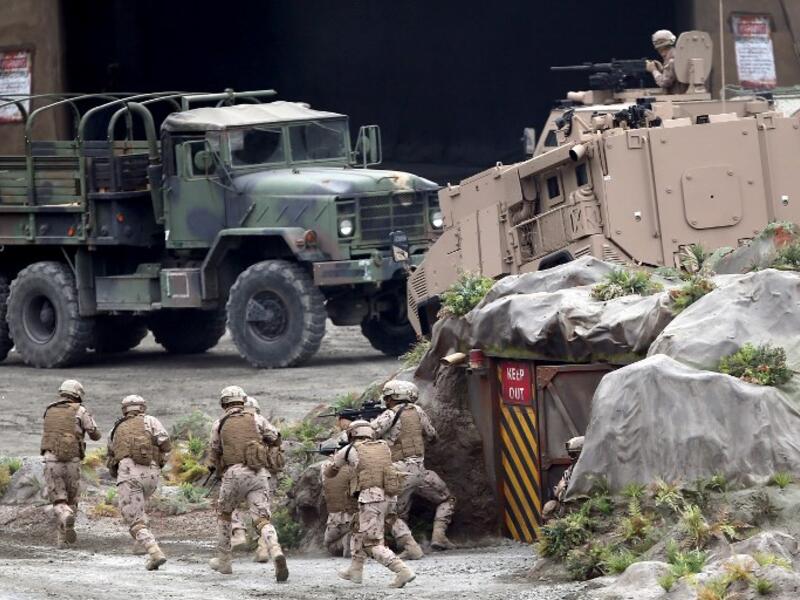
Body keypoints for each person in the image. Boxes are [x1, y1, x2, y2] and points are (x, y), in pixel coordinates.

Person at [208, 386, 288, 581]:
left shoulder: (219, 423)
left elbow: (214, 452)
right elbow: (276, 438)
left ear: (224, 403)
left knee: (224, 514)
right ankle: (275, 550)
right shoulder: (257, 419)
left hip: (234, 473)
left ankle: (225, 560)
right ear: (243, 401)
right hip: (259, 472)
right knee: (262, 519)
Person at [325, 420, 415, 588]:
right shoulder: (383, 447)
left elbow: (330, 473)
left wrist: (334, 459)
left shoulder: (350, 449)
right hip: (389, 497)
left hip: (370, 499)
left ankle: (402, 570)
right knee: (359, 531)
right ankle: (355, 570)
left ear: (352, 434)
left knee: (371, 542)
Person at [371, 380, 456, 552]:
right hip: (420, 472)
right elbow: (432, 435)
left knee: (394, 514)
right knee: (447, 499)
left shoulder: (389, 415)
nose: (386, 401)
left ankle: (409, 547)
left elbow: (370, 434)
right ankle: (439, 536)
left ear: (396, 397)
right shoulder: (418, 412)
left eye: (388, 398)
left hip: (398, 473)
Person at [106, 395, 171, 570]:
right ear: (143, 408)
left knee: (134, 519)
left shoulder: (115, 429)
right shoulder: (151, 421)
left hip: (129, 474)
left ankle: (153, 550)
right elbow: (165, 442)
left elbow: (110, 455)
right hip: (152, 473)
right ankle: (138, 545)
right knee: (140, 508)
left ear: (124, 409)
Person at [40, 379, 101, 547]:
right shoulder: (81, 410)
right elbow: (96, 435)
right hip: (73, 461)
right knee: (72, 500)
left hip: (52, 460)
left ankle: (62, 538)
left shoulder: (49, 410)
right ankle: (64, 535)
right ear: (78, 394)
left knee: (59, 501)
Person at [230, 396, 284, 551]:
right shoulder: (260, 420)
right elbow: (276, 437)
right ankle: (263, 547)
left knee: (228, 506)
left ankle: (238, 532)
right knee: (262, 512)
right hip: (262, 473)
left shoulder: (228, 422)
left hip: (236, 473)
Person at [542, 436, 584, 521]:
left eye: (573, 454)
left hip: (582, 510)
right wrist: (559, 491)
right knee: (549, 507)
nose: (571, 457)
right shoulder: (570, 470)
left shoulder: (590, 471)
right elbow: (559, 490)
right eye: (570, 454)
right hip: (568, 510)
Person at [321, 457, 357, 557]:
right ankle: (348, 540)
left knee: (329, 545)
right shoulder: (354, 468)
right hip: (353, 518)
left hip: (334, 520)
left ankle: (345, 542)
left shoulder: (327, 469)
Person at [646, 29, 688, 95]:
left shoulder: (672, 59)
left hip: (677, 95)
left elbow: (664, 83)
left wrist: (654, 70)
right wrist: (662, 70)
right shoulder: (676, 54)